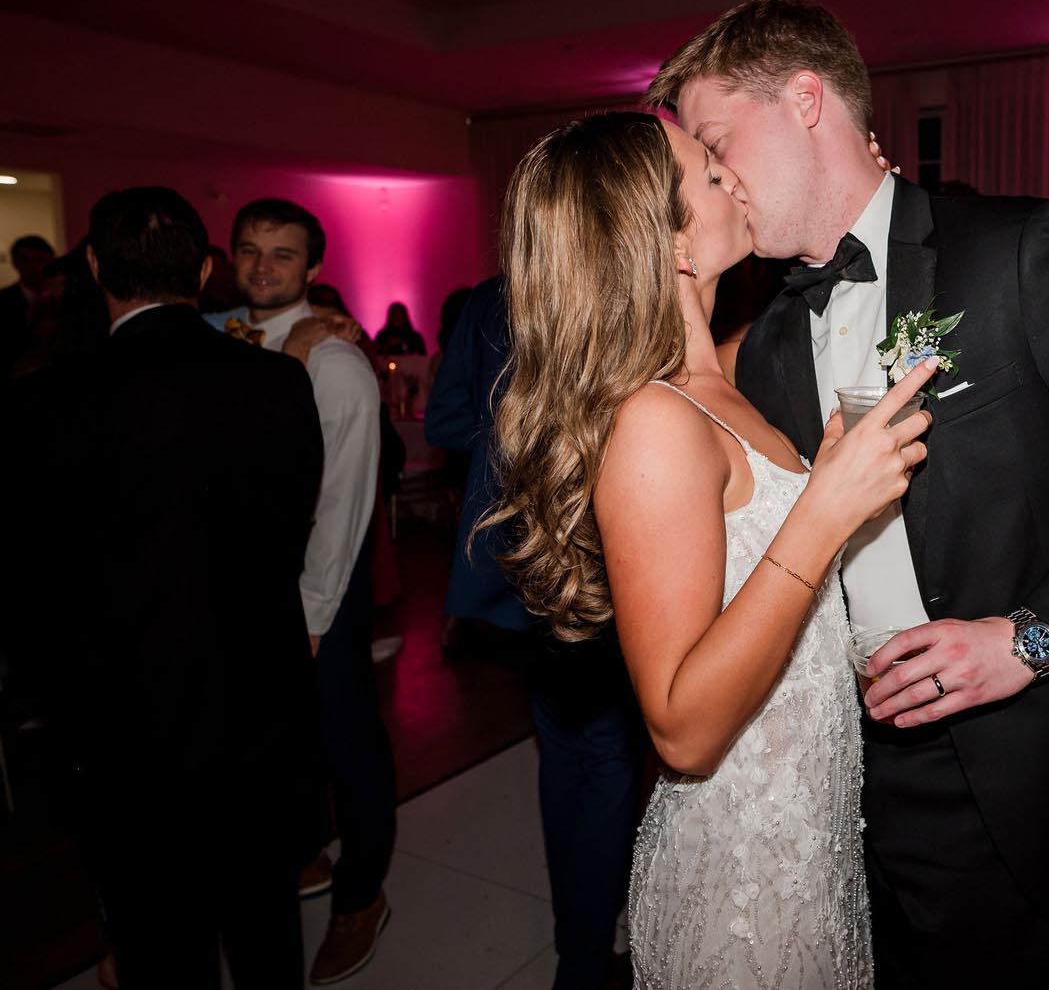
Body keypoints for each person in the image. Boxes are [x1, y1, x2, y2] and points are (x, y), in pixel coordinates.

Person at [647, 0, 1049, 989]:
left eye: (717, 145)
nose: (716, 181)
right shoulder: (764, 342)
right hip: (839, 775)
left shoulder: (1015, 251)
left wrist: (1030, 639)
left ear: (805, 100)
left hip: (1016, 759)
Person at [477, 111, 935, 989]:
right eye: (712, 170)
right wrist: (823, 513)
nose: (736, 175)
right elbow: (682, 730)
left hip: (812, 837)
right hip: (745, 872)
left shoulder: (722, 380)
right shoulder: (653, 421)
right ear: (674, 243)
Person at [5, 187, 322, 988]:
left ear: (93, 267)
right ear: (208, 270)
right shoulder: (280, 383)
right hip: (258, 710)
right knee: (266, 934)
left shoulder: (45, 403)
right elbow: (290, 534)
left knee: (160, 945)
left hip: (125, 733)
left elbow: (34, 585)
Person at [427, 273, 645, 989]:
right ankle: (583, 957)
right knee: (605, 754)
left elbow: (445, 422)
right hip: (606, 548)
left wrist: (511, 443)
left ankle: (574, 939)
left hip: (522, 560)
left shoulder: (490, 297)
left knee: (563, 746)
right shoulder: (628, 280)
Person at [219, 198, 394, 983]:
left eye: (282, 254)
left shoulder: (336, 365)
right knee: (275, 738)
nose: (263, 267)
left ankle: (362, 894)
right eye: (250, 250)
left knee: (345, 740)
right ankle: (306, 854)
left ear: (313, 268)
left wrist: (315, 610)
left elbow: (343, 502)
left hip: (320, 583)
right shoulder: (218, 336)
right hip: (247, 585)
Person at [2, 234, 58, 376]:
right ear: (15, 263)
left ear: (51, 261)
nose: (34, 266)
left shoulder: (66, 297)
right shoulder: (4, 299)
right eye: (26, 260)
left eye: (41, 259)